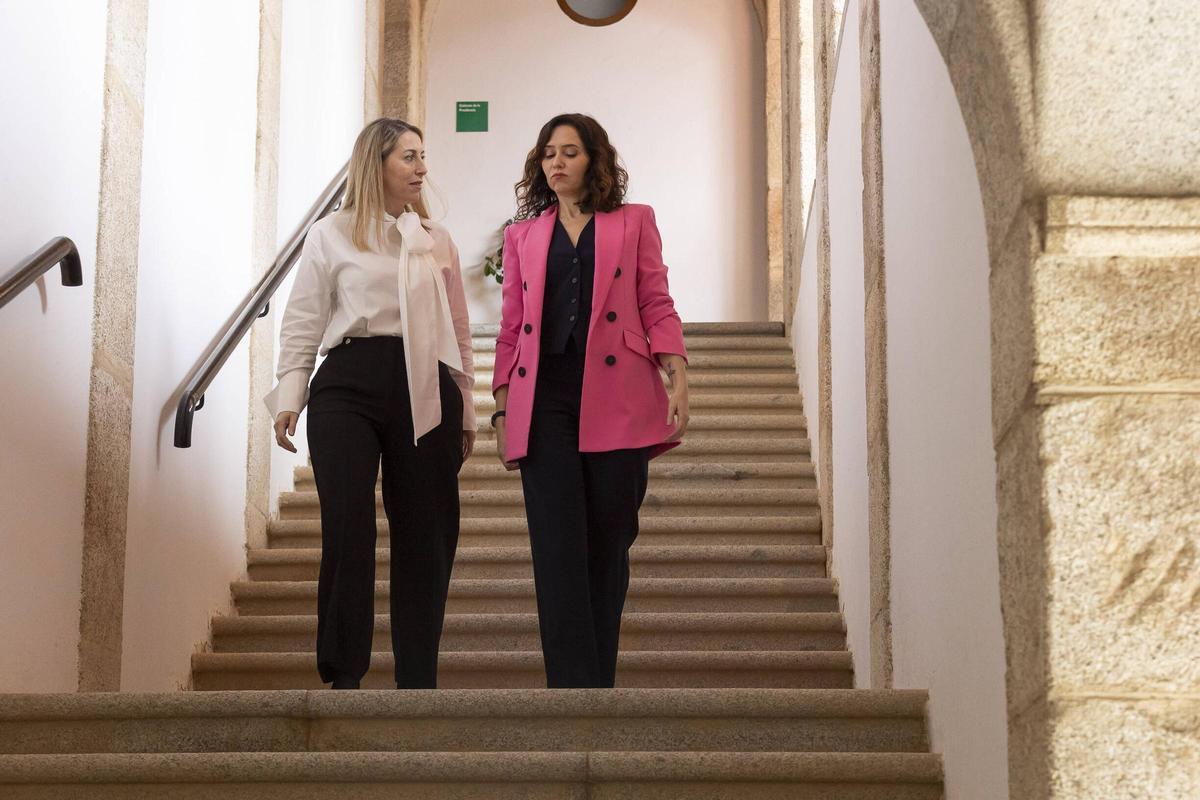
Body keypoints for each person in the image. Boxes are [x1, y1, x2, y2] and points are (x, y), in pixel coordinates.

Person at [266, 118, 475, 690]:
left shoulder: (437, 239)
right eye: (409, 156)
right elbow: (305, 317)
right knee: (347, 522)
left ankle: (417, 676)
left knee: (426, 529)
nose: (422, 168)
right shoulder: (330, 234)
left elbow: (458, 326)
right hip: (349, 381)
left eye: (423, 156)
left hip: (425, 382)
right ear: (375, 163)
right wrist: (292, 393)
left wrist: (468, 404)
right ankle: (343, 670)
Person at [490, 113, 689, 688]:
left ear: (593, 159)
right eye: (549, 152)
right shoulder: (522, 235)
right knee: (556, 544)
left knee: (609, 539)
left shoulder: (634, 222)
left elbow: (655, 300)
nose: (557, 162)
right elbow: (510, 328)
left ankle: (598, 679)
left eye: (570, 152)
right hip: (544, 396)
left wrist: (676, 369)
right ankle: (571, 688)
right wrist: (502, 407)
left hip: (620, 396)